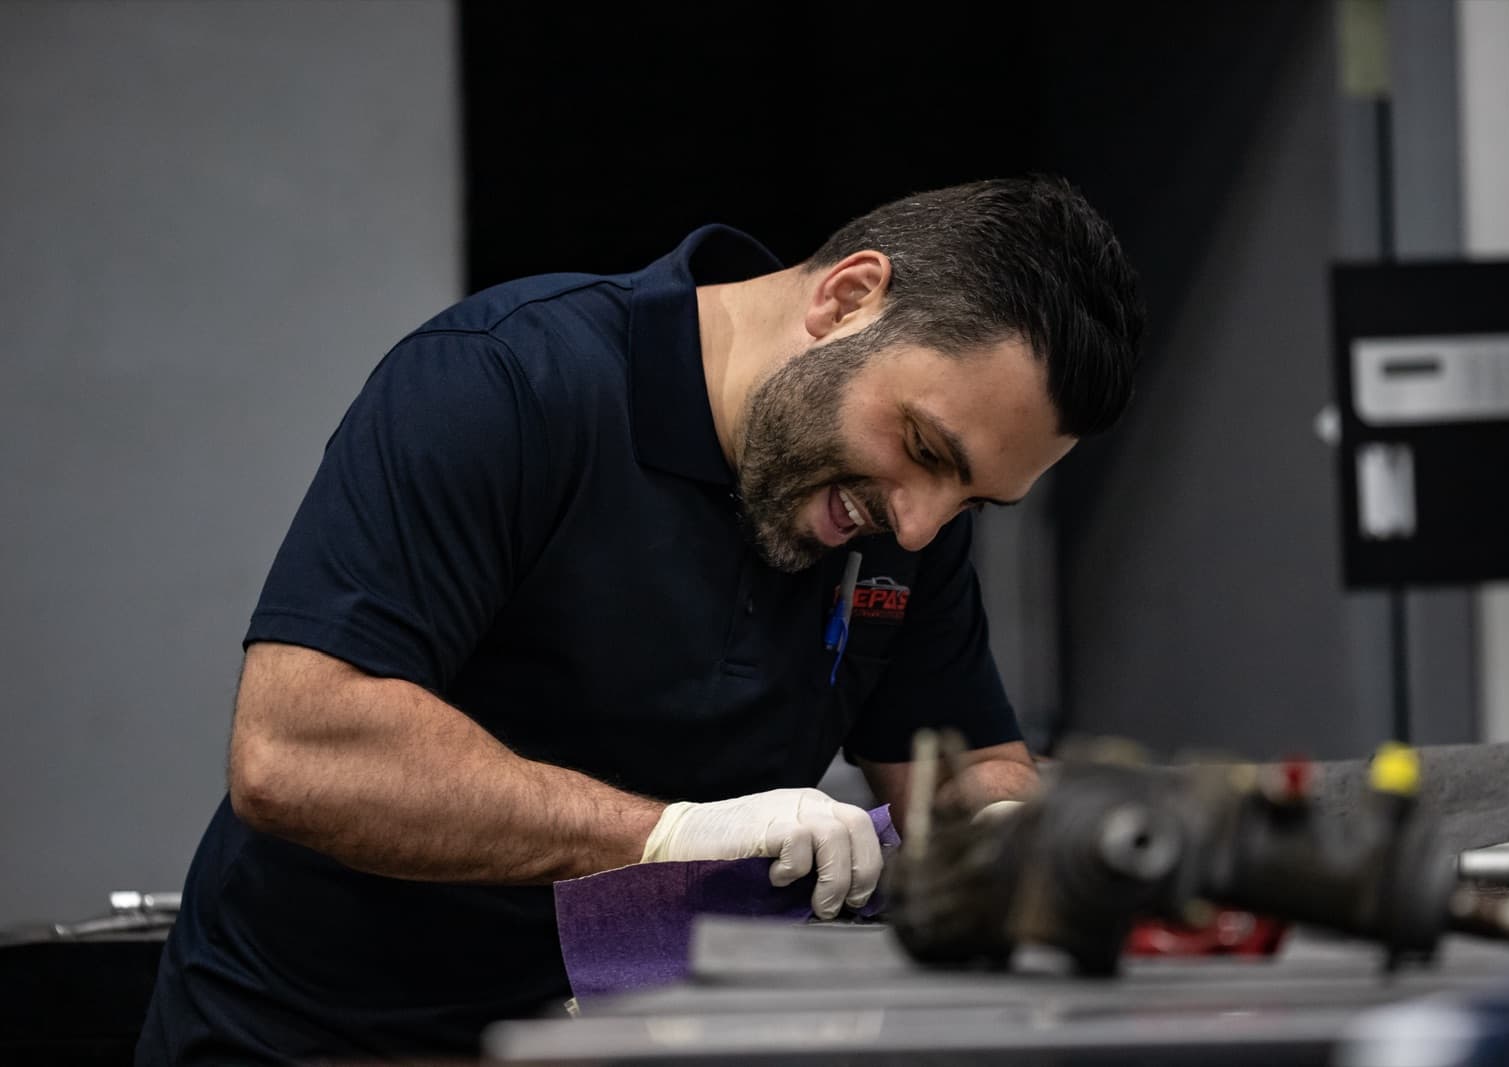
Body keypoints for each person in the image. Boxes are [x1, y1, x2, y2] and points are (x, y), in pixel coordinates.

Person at [135, 175, 1143, 1062]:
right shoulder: (507, 382)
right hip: (329, 1034)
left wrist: (1013, 825)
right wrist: (663, 835)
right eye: (924, 447)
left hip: (629, 1038)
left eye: (970, 500)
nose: (920, 525)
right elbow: (297, 749)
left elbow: (967, 767)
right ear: (846, 298)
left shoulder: (901, 527)